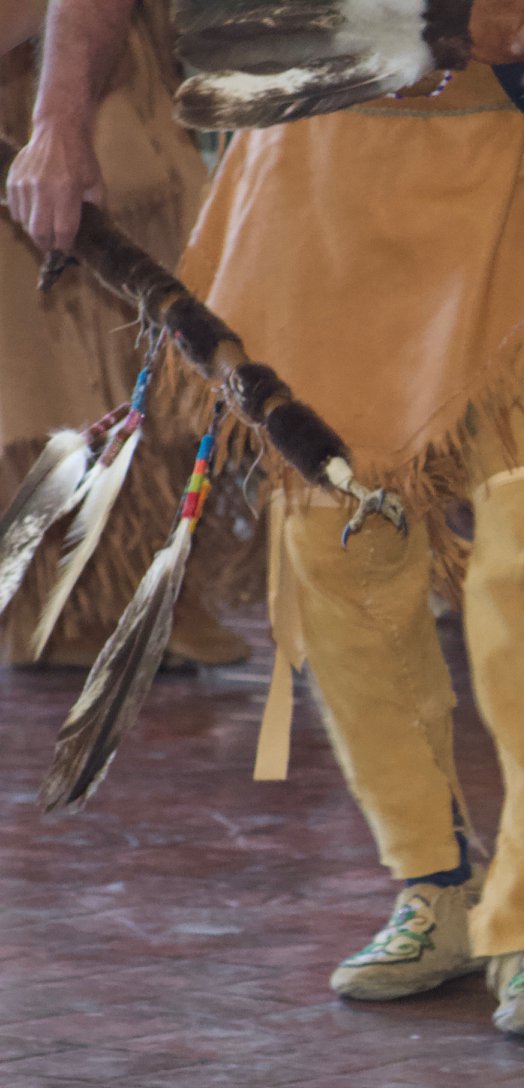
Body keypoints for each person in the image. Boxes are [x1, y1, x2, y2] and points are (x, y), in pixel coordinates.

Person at [10, 0, 524, 1036]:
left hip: (523, 150)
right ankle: (434, 880)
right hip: (311, 170)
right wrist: (57, 121)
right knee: (339, 553)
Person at [0, 0, 246, 669]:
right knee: (39, 375)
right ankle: (61, 605)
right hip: (48, 101)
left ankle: (156, 585)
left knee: (163, 354)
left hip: (108, 89)